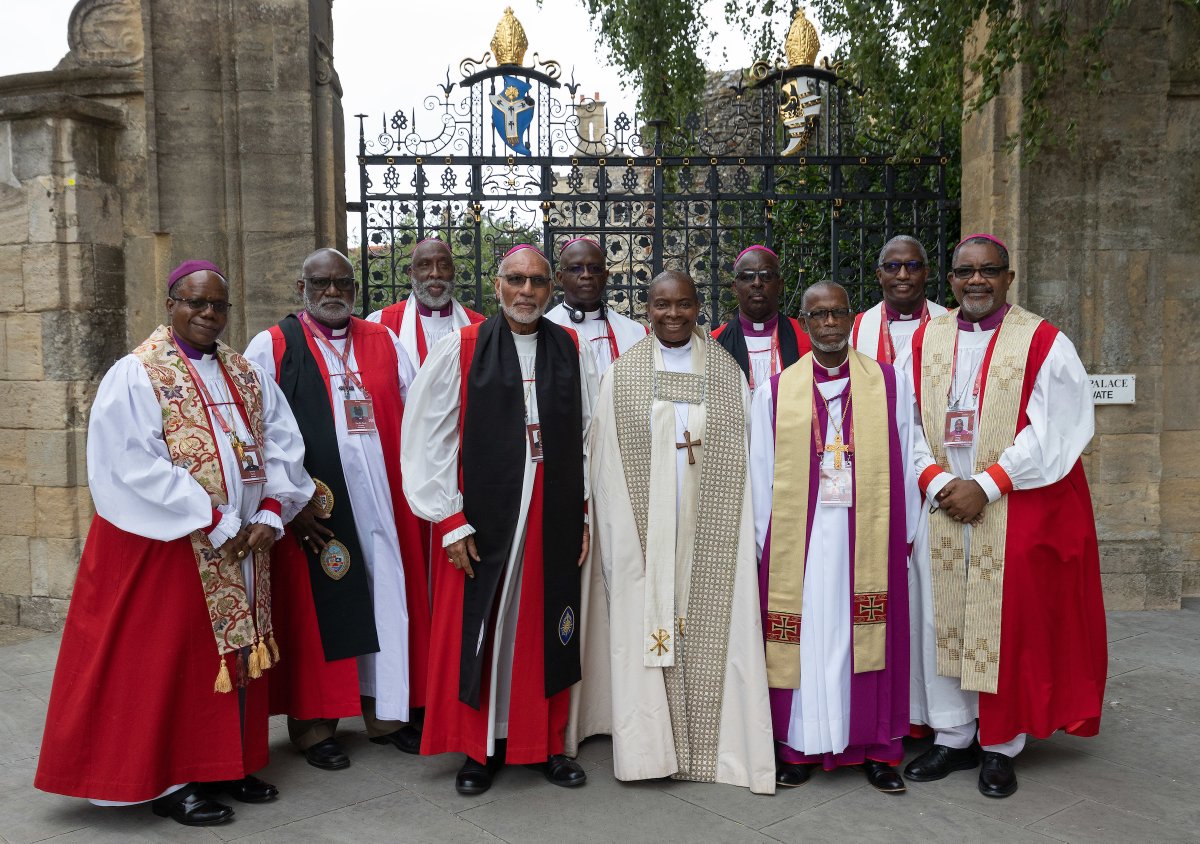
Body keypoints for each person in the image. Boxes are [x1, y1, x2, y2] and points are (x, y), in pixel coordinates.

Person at [34, 261, 313, 826]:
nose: (208, 314)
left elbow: (282, 444)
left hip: (243, 542)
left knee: (236, 655)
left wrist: (270, 508)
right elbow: (130, 464)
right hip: (170, 545)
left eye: (218, 306)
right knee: (173, 660)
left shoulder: (245, 374)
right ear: (171, 304)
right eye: (196, 303)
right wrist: (212, 517)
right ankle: (173, 779)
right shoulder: (137, 374)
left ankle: (227, 764)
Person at [905, 233, 1106, 799]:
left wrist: (987, 485)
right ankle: (951, 734)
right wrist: (940, 481)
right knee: (937, 620)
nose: (976, 281)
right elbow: (904, 426)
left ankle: (1000, 745)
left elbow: (1057, 431)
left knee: (1006, 623)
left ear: (1008, 278)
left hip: (1013, 505)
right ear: (949, 280)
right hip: (941, 502)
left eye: (988, 271)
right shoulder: (925, 341)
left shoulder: (1042, 342)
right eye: (965, 272)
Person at [401, 243, 600, 795]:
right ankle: (477, 750)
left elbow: (586, 437)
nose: (527, 292)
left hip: (550, 508)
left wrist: (581, 510)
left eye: (537, 281)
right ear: (497, 286)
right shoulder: (461, 349)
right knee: (485, 627)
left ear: (550, 289)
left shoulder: (571, 347)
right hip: (482, 516)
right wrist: (448, 519)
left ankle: (539, 745)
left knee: (542, 626)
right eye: (516, 280)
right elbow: (428, 439)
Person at [589, 270, 776, 794]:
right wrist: (613, 534)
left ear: (700, 308)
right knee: (645, 626)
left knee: (713, 629)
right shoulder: (622, 376)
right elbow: (604, 464)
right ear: (647, 309)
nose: (673, 314)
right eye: (662, 305)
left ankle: (722, 752)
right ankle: (649, 748)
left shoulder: (725, 373)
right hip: (643, 536)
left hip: (710, 533)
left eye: (684, 304)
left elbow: (751, 459)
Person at [244, 248, 428, 772]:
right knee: (315, 610)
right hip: (316, 504)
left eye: (342, 284)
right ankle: (315, 726)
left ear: (354, 289)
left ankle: (387, 714)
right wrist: (286, 501)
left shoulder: (383, 340)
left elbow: (416, 414)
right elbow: (255, 431)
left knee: (386, 596)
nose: (332, 292)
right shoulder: (274, 344)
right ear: (302, 290)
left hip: (384, 500)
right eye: (320, 283)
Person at [750, 281, 919, 793]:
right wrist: (768, 546)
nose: (828, 322)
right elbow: (760, 472)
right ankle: (799, 747)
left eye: (837, 313)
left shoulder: (888, 384)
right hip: (798, 545)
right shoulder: (776, 392)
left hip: (865, 536)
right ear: (803, 321)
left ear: (851, 318)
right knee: (804, 639)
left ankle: (872, 748)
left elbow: (910, 457)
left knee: (861, 637)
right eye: (817, 314)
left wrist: (904, 538)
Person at [367, 237, 485, 368]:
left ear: (453, 272)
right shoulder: (382, 324)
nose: (435, 273)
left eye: (444, 266)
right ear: (411, 273)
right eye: (425, 265)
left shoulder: (479, 327)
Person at [711, 245, 811, 390]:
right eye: (747, 276)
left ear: (780, 285)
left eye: (766, 275)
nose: (757, 283)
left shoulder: (805, 336)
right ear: (734, 287)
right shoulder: (716, 342)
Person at [545, 236, 647, 375]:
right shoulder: (544, 331)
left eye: (595, 268)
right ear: (560, 278)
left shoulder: (636, 334)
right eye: (576, 269)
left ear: (605, 276)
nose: (586, 275)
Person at [851, 235, 949, 369]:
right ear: (880, 275)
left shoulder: (948, 321)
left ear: (925, 273)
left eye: (913, 266)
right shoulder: (859, 326)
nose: (903, 275)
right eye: (892, 266)